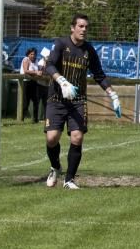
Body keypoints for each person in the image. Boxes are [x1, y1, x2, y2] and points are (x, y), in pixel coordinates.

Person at [43, 13, 121, 190]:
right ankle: (55, 167)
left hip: (78, 101)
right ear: (73, 28)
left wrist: (113, 95)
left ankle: (69, 180)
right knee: (52, 138)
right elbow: (49, 65)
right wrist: (62, 81)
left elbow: (99, 75)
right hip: (56, 99)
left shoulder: (89, 50)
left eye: (86, 27)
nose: (84, 30)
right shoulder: (61, 44)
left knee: (77, 137)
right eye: (81, 26)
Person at [20, 47, 43, 123]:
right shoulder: (26, 59)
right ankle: (21, 118)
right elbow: (26, 70)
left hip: (34, 82)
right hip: (26, 82)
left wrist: (39, 71)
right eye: (31, 54)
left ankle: (35, 119)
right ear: (28, 54)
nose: (33, 55)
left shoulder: (36, 60)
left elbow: (39, 69)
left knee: (36, 101)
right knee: (26, 102)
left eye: (34, 54)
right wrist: (36, 72)